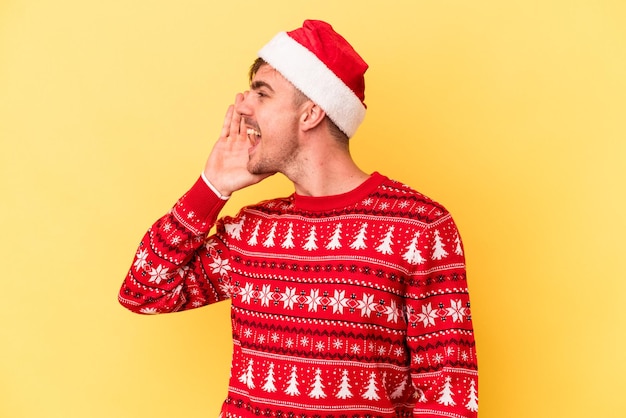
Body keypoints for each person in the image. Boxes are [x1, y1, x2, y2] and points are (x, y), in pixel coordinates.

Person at [119, 19, 478, 418]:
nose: (241, 104)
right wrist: (211, 187)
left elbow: (450, 395)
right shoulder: (249, 230)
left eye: (262, 93)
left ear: (310, 113)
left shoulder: (418, 227)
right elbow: (144, 292)